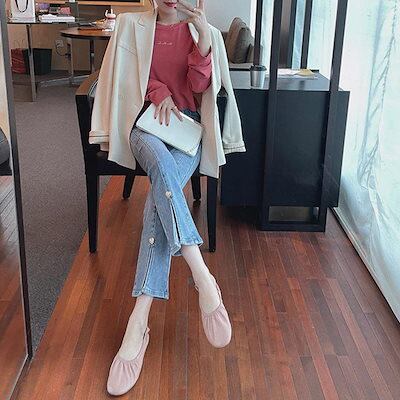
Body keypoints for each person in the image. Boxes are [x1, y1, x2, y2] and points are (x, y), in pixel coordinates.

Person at [99, 0, 244, 396]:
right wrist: (158, 92)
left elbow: (199, 89)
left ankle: (139, 319)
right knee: (162, 172)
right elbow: (130, 76)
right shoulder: (132, 26)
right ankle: (201, 274)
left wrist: (203, 41)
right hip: (146, 125)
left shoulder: (202, 32)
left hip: (187, 131)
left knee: (158, 199)